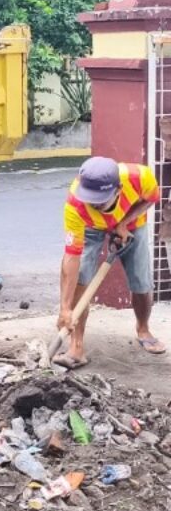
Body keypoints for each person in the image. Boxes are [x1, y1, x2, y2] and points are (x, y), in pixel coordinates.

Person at [56, 155, 166, 369]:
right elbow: (71, 256)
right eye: (90, 199)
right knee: (81, 278)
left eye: (100, 200)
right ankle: (76, 347)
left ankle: (143, 329)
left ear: (118, 189)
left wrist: (124, 222)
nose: (94, 204)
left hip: (133, 223)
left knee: (141, 281)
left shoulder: (140, 177)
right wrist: (65, 308)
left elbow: (151, 199)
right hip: (90, 227)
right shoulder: (76, 205)